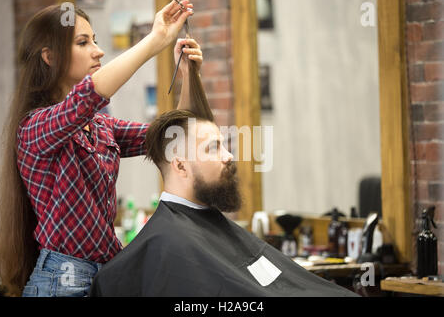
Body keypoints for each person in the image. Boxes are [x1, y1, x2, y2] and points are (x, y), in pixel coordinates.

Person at [0, 0, 203, 297]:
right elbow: (87, 96)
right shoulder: (35, 128)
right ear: (50, 57)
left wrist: (187, 76)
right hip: (61, 284)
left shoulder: (101, 127)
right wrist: (155, 39)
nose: (99, 50)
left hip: (106, 275)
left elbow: (172, 138)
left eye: (95, 40)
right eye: (83, 42)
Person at [90, 110, 359, 297]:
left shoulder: (199, 224)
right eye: (213, 148)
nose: (229, 156)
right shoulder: (168, 243)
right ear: (180, 164)